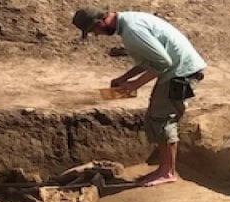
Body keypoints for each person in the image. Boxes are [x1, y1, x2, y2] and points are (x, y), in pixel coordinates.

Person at [72, 7, 206, 187]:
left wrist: (135, 85)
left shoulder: (133, 30)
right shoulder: (129, 22)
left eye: (94, 31)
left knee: (162, 118)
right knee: (157, 117)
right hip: (178, 70)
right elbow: (149, 61)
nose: (96, 35)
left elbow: (162, 62)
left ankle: (167, 172)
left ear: (100, 23)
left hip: (181, 73)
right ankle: (165, 169)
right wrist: (124, 78)